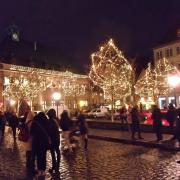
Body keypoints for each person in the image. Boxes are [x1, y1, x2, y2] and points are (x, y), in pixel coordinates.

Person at [30, 112, 51, 178]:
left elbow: (31, 132)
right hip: (44, 142)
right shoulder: (46, 121)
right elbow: (49, 131)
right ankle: (43, 171)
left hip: (37, 142)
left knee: (39, 157)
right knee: (43, 156)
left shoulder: (35, 122)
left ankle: (39, 172)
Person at [47, 109, 60, 174]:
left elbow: (49, 131)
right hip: (57, 139)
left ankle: (54, 167)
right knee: (57, 152)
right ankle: (57, 166)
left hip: (52, 140)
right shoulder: (56, 120)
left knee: (53, 154)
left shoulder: (50, 121)